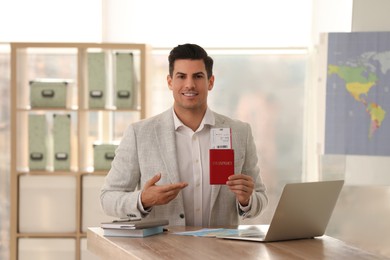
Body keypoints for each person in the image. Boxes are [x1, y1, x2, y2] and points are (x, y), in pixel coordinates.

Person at [100, 43, 268, 227]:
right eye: (181, 76)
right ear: (170, 81)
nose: (189, 84)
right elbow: (108, 198)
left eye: (198, 76)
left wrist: (247, 200)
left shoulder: (239, 132)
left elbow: (260, 197)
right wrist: (143, 199)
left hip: (220, 251)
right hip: (161, 252)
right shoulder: (140, 134)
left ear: (210, 82)